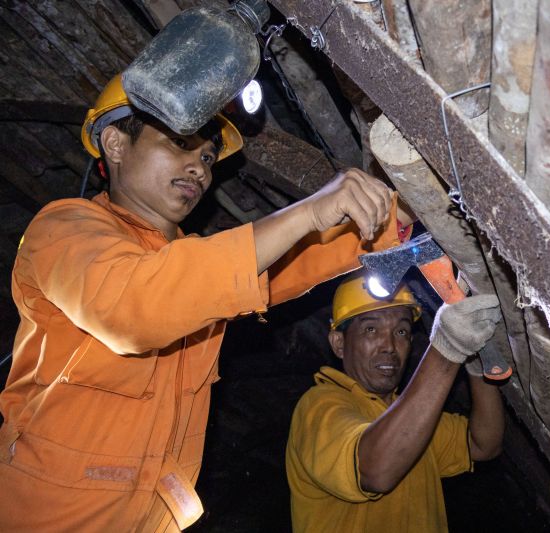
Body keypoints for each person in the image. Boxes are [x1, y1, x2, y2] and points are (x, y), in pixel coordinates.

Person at [0, 74, 412, 532]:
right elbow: (135, 306)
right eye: (180, 144)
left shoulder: (197, 267)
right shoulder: (64, 229)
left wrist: (393, 217)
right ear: (114, 143)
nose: (200, 166)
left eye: (207, 156)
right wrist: (308, 211)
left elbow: (284, 267)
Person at [286, 272, 506, 532]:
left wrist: (476, 365)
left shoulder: (411, 417)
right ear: (339, 343)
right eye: (371, 329)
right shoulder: (318, 406)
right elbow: (374, 471)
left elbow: (483, 444)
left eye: (401, 331)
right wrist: (448, 348)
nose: (389, 345)